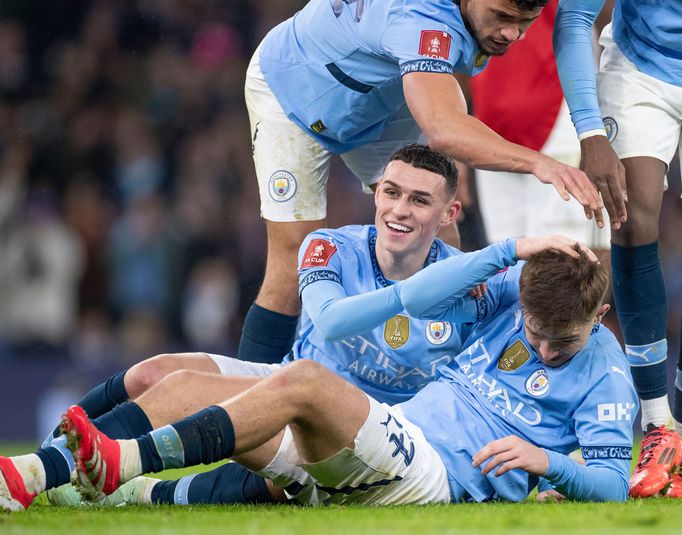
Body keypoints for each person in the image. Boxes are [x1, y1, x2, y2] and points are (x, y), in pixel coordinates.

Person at [0, 144, 477, 510]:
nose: (399, 210)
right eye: (391, 193)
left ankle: (80, 480)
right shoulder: (330, 246)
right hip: (291, 383)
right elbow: (330, 322)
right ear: (376, 193)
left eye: (419, 200)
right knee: (160, 374)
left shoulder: (476, 291)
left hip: (362, 433)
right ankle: (49, 459)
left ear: (448, 214)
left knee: (277, 467)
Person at [0, 237, 635, 511]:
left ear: (601, 315)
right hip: (385, 438)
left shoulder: (606, 372)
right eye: (536, 333)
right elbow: (419, 295)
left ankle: (123, 463)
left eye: (565, 343)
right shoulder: (508, 299)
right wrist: (511, 249)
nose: (547, 352)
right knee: (183, 386)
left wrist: (544, 462)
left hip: (432, 474)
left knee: (302, 380)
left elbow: (612, 487)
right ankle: (33, 474)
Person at [238, 0, 611, 366]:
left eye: (525, 21)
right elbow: (445, 130)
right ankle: (252, 402)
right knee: (291, 262)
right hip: (296, 92)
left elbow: (447, 102)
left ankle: (453, 385)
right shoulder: (421, 16)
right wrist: (539, 163)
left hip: (380, 94)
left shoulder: (464, 17)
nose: (513, 33)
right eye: (502, 17)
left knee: (440, 232)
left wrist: (461, 148)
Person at [555, 0, 682, 499]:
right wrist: (590, 131)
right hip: (640, 69)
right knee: (631, 215)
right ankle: (656, 427)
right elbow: (575, 17)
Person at [471, 0, 610, 255]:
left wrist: (602, 126)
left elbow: (612, 21)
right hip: (489, 119)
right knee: (504, 257)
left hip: (563, 114)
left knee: (570, 255)